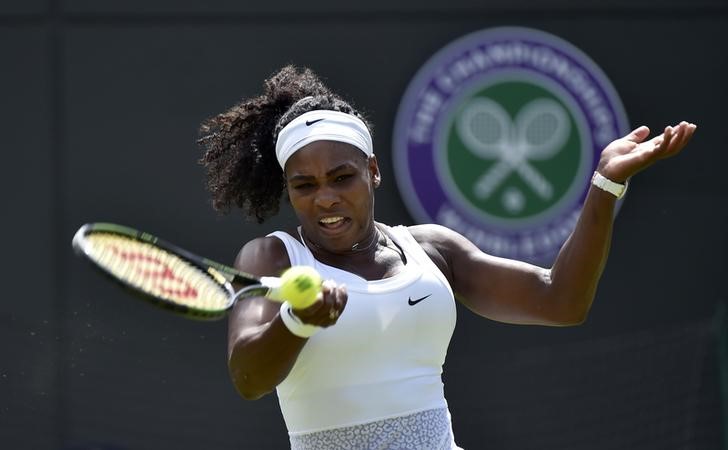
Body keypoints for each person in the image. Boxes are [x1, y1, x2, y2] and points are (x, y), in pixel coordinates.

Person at [197, 65, 696, 449]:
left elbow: (561, 301)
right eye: (304, 186)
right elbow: (248, 378)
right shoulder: (272, 258)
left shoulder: (431, 249)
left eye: (341, 177)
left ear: (372, 171)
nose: (324, 197)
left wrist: (605, 186)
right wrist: (298, 320)